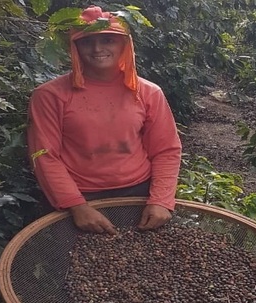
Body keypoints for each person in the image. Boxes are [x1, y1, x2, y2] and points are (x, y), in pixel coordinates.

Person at [27, 5, 182, 234]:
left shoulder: (148, 93)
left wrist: (160, 200)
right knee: (76, 256)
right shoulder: (50, 95)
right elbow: (44, 156)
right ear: (75, 47)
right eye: (87, 42)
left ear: (124, 44)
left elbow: (166, 149)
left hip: (139, 195)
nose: (97, 48)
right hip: (78, 198)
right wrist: (76, 206)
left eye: (108, 40)